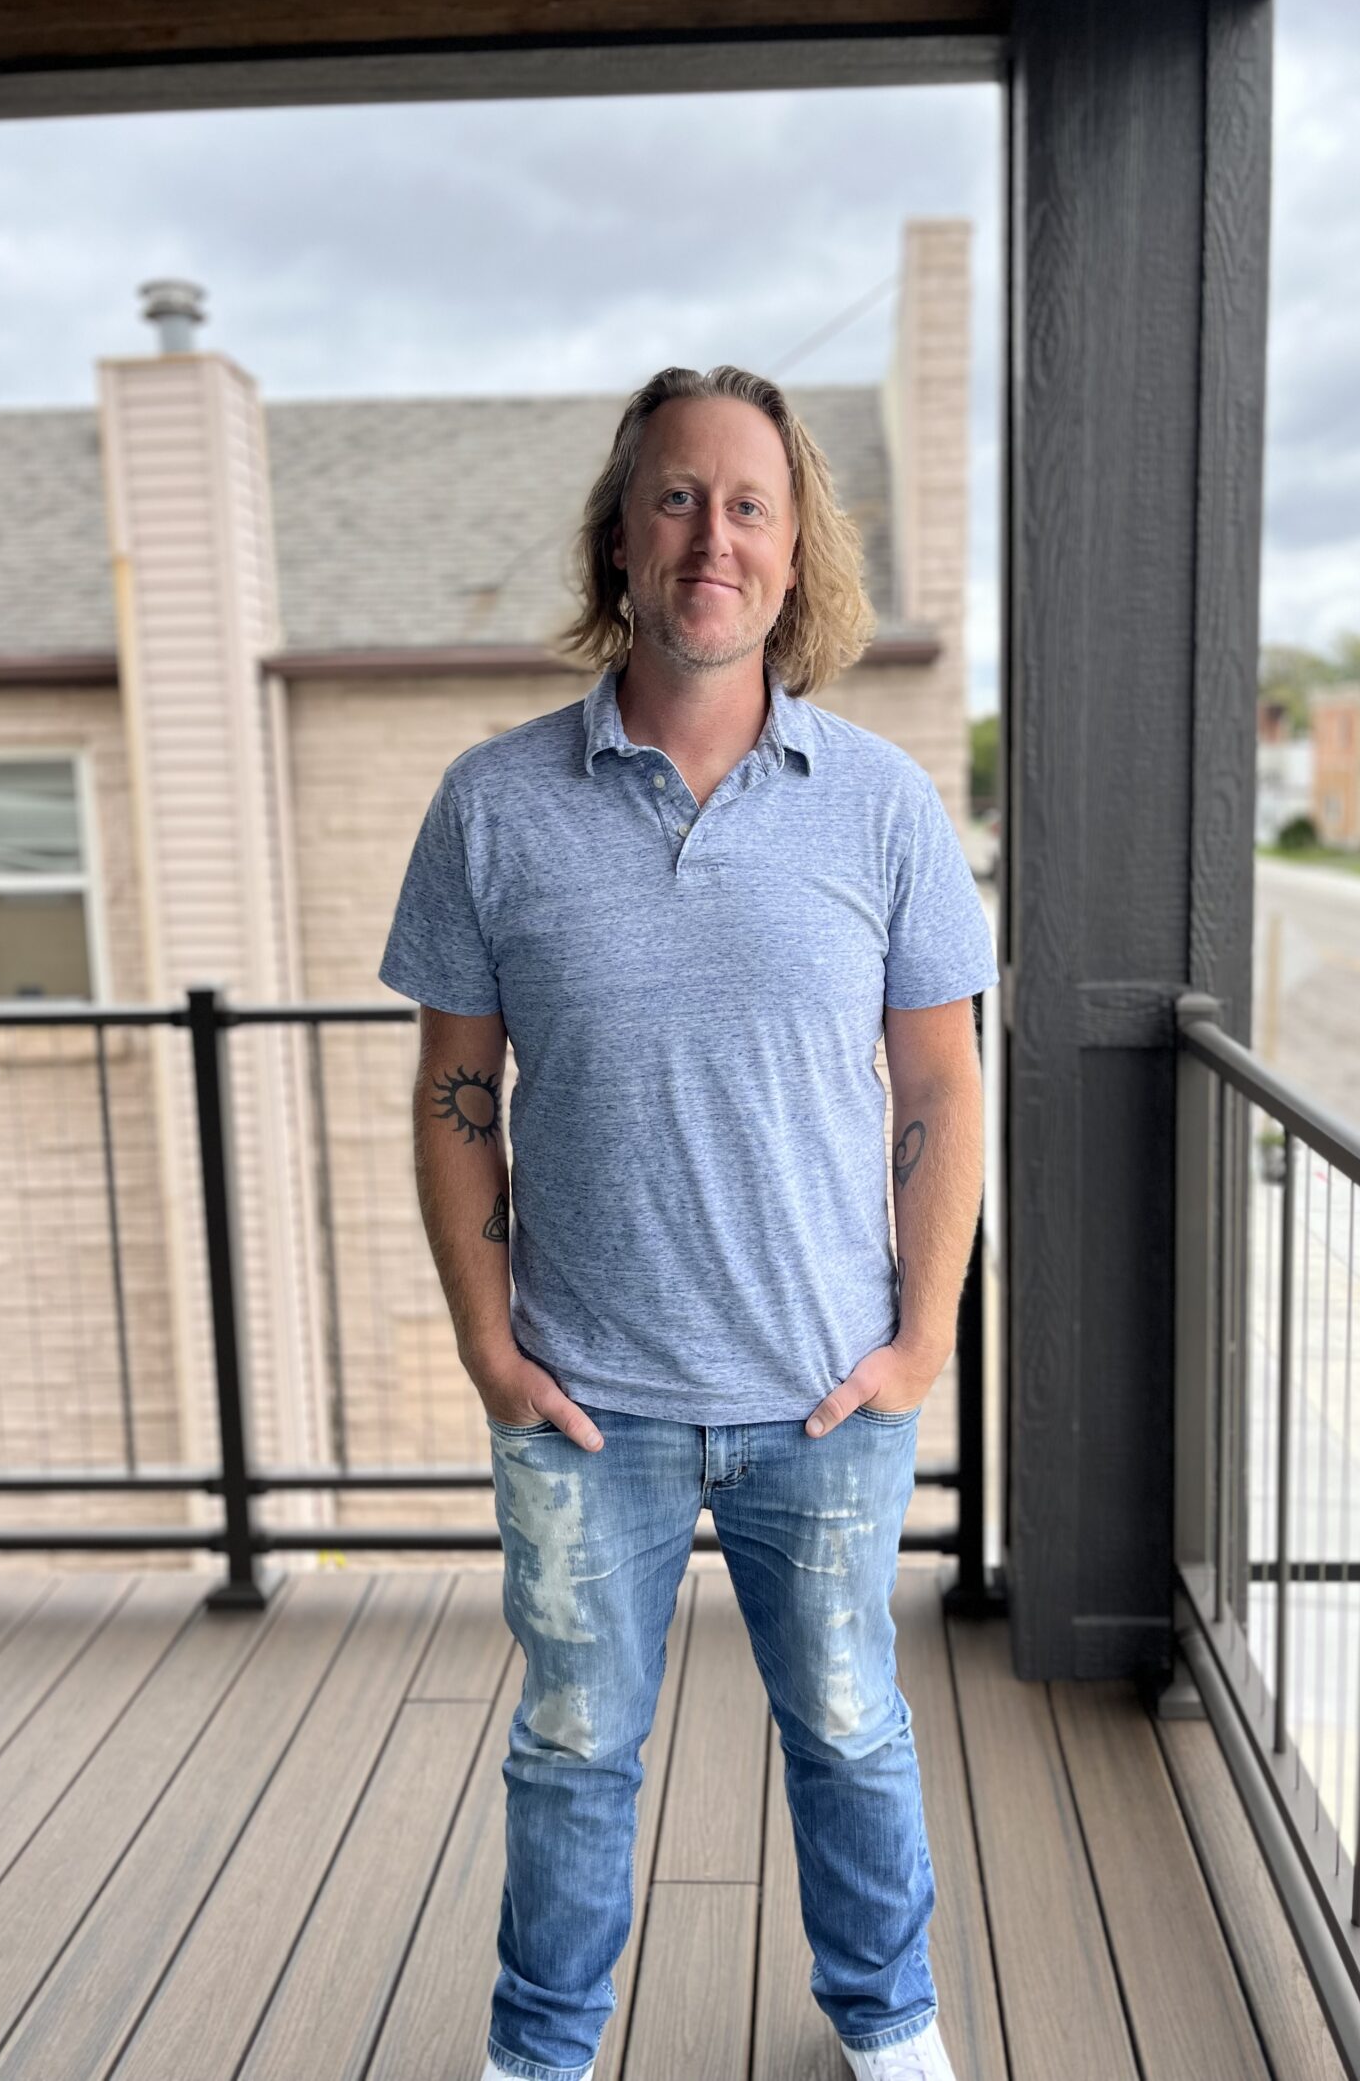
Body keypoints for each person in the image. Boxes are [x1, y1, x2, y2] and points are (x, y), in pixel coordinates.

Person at [379, 363, 997, 2081]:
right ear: (620, 538)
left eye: (747, 504)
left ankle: (889, 2021)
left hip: (825, 1392)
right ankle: (542, 2048)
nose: (710, 536)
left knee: (852, 1725)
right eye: (676, 497)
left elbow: (942, 1087)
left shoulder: (881, 802)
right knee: (573, 1747)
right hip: (587, 1401)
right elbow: (454, 1089)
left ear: (795, 552)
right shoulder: (494, 802)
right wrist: (489, 1346)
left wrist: (922, 1341)